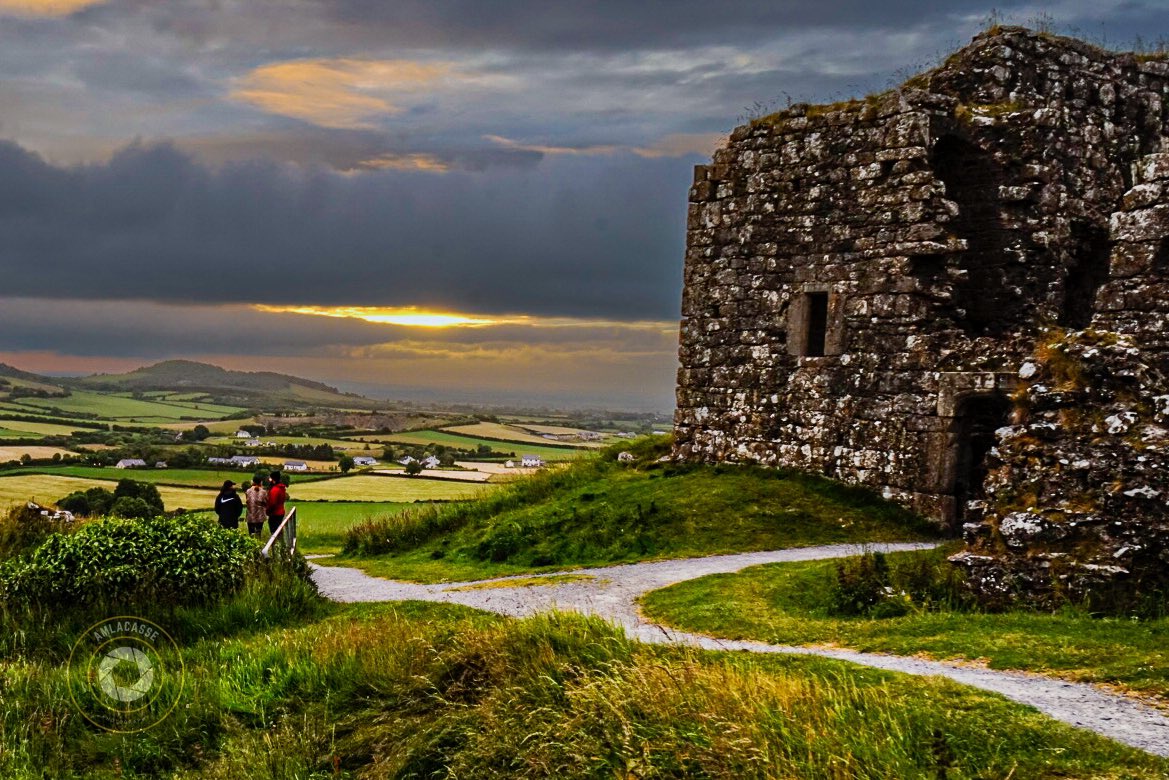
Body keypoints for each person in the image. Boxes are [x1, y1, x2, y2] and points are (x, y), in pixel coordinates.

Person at [266, 471, 288, 535]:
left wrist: (268, 511)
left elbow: (272, 503)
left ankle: (276, 544)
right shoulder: (281, 488)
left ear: (273, 479)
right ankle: (281, 543)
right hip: (281, 511)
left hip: (275, 513)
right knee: (279, 530)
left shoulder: (275, 489)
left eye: (270, 478)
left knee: (274, 531)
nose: (269, 480)